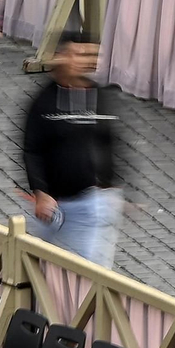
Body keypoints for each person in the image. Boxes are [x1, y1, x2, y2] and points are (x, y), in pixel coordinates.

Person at [22, 31, 123, 268]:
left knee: (90, 272)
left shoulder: (100, 96)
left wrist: (114, 187)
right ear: (61, 57)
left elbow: (110, 142)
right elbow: (32, 149)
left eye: (91, 54)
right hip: (53, 206)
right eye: (79, 54)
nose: (87, 60)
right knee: (33, 265)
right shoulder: (43, 101)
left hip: (91, 204)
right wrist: (40, 192)